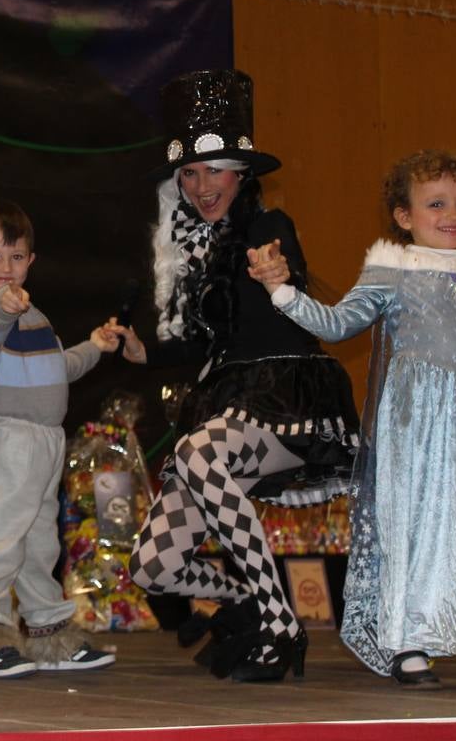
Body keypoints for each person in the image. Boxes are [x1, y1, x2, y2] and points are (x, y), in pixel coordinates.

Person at [249, 149, 456, 690]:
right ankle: (410, 643)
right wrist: (280, 290)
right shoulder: (391, 271)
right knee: (414, 526)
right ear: (404, 217)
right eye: (435, 204)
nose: (452, 213)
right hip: (415, 427)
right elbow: (338, 324)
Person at [109, 69, 360, 683]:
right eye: (190, 174)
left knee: (197, 454)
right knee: (152, 567)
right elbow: (210, 339)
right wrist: (149, 354)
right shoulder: (199, 249)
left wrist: (278, 274)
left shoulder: (267, 229)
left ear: (242, 174)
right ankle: (250, 600)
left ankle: (281, 622)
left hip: (280, 398)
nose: (201, 186)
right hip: (226, 402)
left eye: (215, 170)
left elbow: (287, 277)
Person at [0, 198, 118, 678]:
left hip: (47, 441)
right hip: (13, 437)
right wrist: (3, 304)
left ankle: (48, 632)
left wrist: (96, 345)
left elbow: (61, 368)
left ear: (31, 261)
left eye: (16, 257)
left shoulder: (36, 317)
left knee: (39, 540)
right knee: (0, 533)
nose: (5, 268)